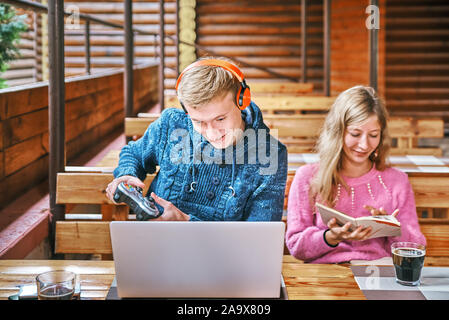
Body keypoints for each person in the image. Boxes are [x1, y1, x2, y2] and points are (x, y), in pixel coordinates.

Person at [106, 57, 288, 221]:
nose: (211, 133)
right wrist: (127, 173)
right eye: (198, 122)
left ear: (242, 101)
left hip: (225, 258)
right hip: (155, 245)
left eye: (220, 119)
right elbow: (134, 153)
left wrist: (186, 223)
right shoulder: (171, 123)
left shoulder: (271, 153)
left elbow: (259, 235)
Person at [285, 85, 426, 263]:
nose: (364, 145)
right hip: (326, 274)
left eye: (373, 135)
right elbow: (296, 246)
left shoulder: (397, 181)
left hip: (377, 273)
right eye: (355, 133)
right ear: (338, 132)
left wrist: (392, 227)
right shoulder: (307, 177)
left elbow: (414, 247)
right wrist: (330, 237)